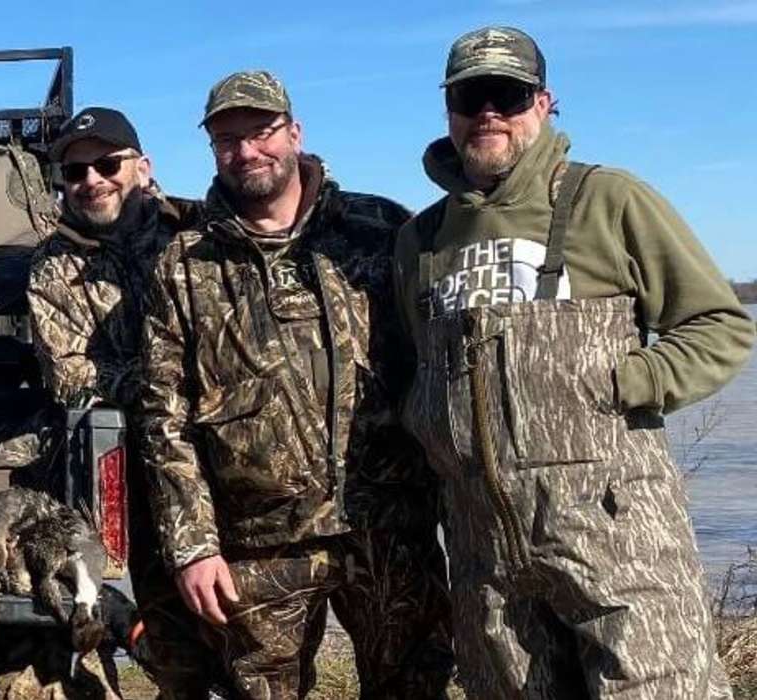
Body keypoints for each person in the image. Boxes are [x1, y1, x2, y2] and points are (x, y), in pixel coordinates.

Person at [393, 26, 754, 698]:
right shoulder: (420, 239)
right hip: (484, 556)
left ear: (544, 101)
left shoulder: (608, 200)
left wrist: (633, 379)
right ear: (450, 110)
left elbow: (719, 324)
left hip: (618, 537)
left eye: (509, 94)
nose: (490, 113)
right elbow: (419, 367)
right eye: (474, 96)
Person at [138, 70, 453, 698]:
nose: (246, 151)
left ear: (295, 132)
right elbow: (163, 417)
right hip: (258, 544)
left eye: (261, 132)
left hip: (389, 525)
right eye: (226, 140)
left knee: (413, 684)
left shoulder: (381, 228)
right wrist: (193, 547)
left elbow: (441, 359)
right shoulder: (184, 263)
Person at [25, 106, 221, 698]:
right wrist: (165, 380)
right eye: (75, 172)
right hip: (146, 472)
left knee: (254, 638)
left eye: (107, 164)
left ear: (142, 165)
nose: (92, 180)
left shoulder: (199, 232)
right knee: (173, 643)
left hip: (234, 459)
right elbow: (68, 374)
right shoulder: (52, 268)